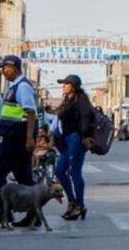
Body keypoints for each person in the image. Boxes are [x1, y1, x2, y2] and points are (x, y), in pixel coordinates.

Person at [0, 55, 38, 224]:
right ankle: (34, 214)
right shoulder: (13, 87)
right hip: (11, 135)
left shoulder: (22, 87)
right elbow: (8, 114)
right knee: (24, 178)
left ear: (13, 68)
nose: (2, 72)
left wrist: (29, 138)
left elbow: (30, 112)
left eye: (4, 68)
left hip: (17, 139)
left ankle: (1, 211)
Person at [55, 74, 95, 221]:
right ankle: (72, 201)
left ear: (73, 86)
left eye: (66, 84)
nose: (63, 86)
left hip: (76, 139)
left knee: (74, 172)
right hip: (66, 140)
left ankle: (80, 205)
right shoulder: (67, 101)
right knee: (59, 171)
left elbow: (86, 117)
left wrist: (85, 136)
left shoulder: (81, 99)